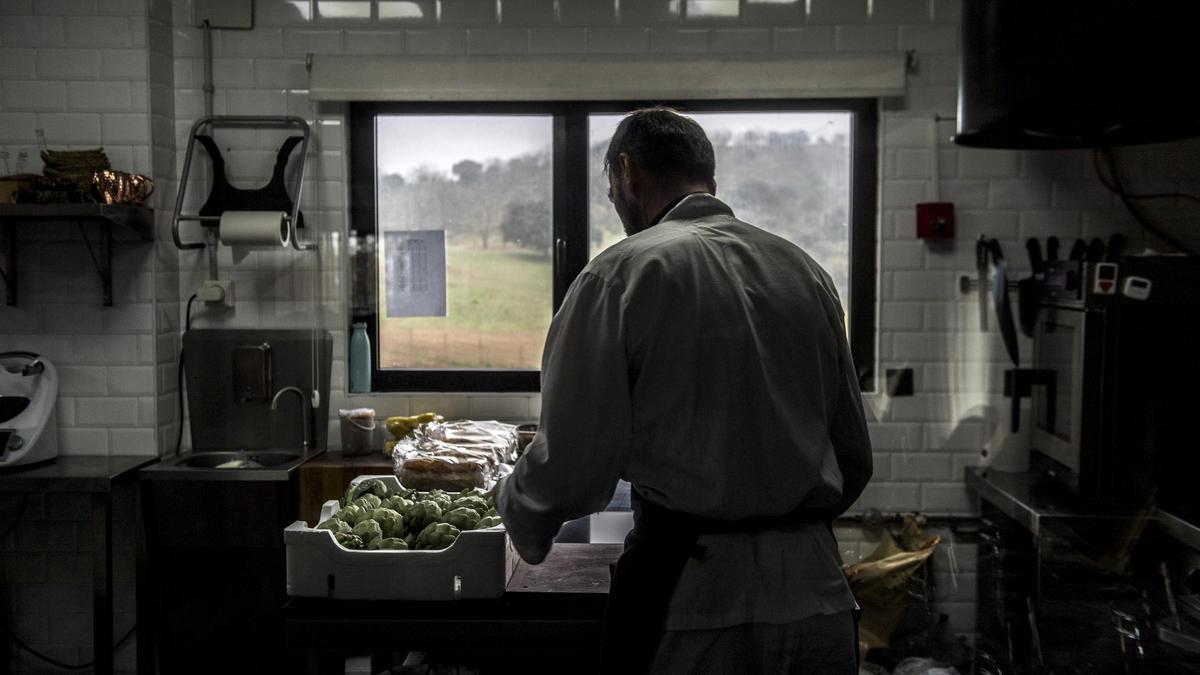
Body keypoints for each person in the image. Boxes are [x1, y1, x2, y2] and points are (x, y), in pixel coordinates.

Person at [495, 107, 873, 674]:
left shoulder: (619, 275)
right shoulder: (805, 271)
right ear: (710, 181)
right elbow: (854, 458)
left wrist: (510, 508)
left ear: (627, 172)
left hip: (698, 601)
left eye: (611, 188)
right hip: (817, 597)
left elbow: (569, 470)